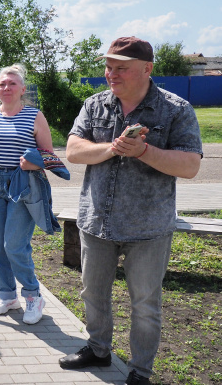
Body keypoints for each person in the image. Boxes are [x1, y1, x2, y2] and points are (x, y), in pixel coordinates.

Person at [59, 37, 202, 385]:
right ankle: (98, 350)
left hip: (148, 227)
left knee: (145, 305)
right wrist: (113, 148)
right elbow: (73, 151)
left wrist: (143, 151)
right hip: (97, 222)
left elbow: (190, 165)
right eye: (109, 67)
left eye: (121, 68)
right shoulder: (95, 105)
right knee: (93, 294)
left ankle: (140, 371)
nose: (111, 73)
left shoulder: (175, 109)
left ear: (147, 68)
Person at [0, 63, 54, 325]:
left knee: (15, 245)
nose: (6, 87)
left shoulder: (34, 116)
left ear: (22, 89)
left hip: (24, 183)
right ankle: (7, 296)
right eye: (2, 84)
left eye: (12, 83)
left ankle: (33, 295)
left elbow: (48, 154)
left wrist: (34, 163)